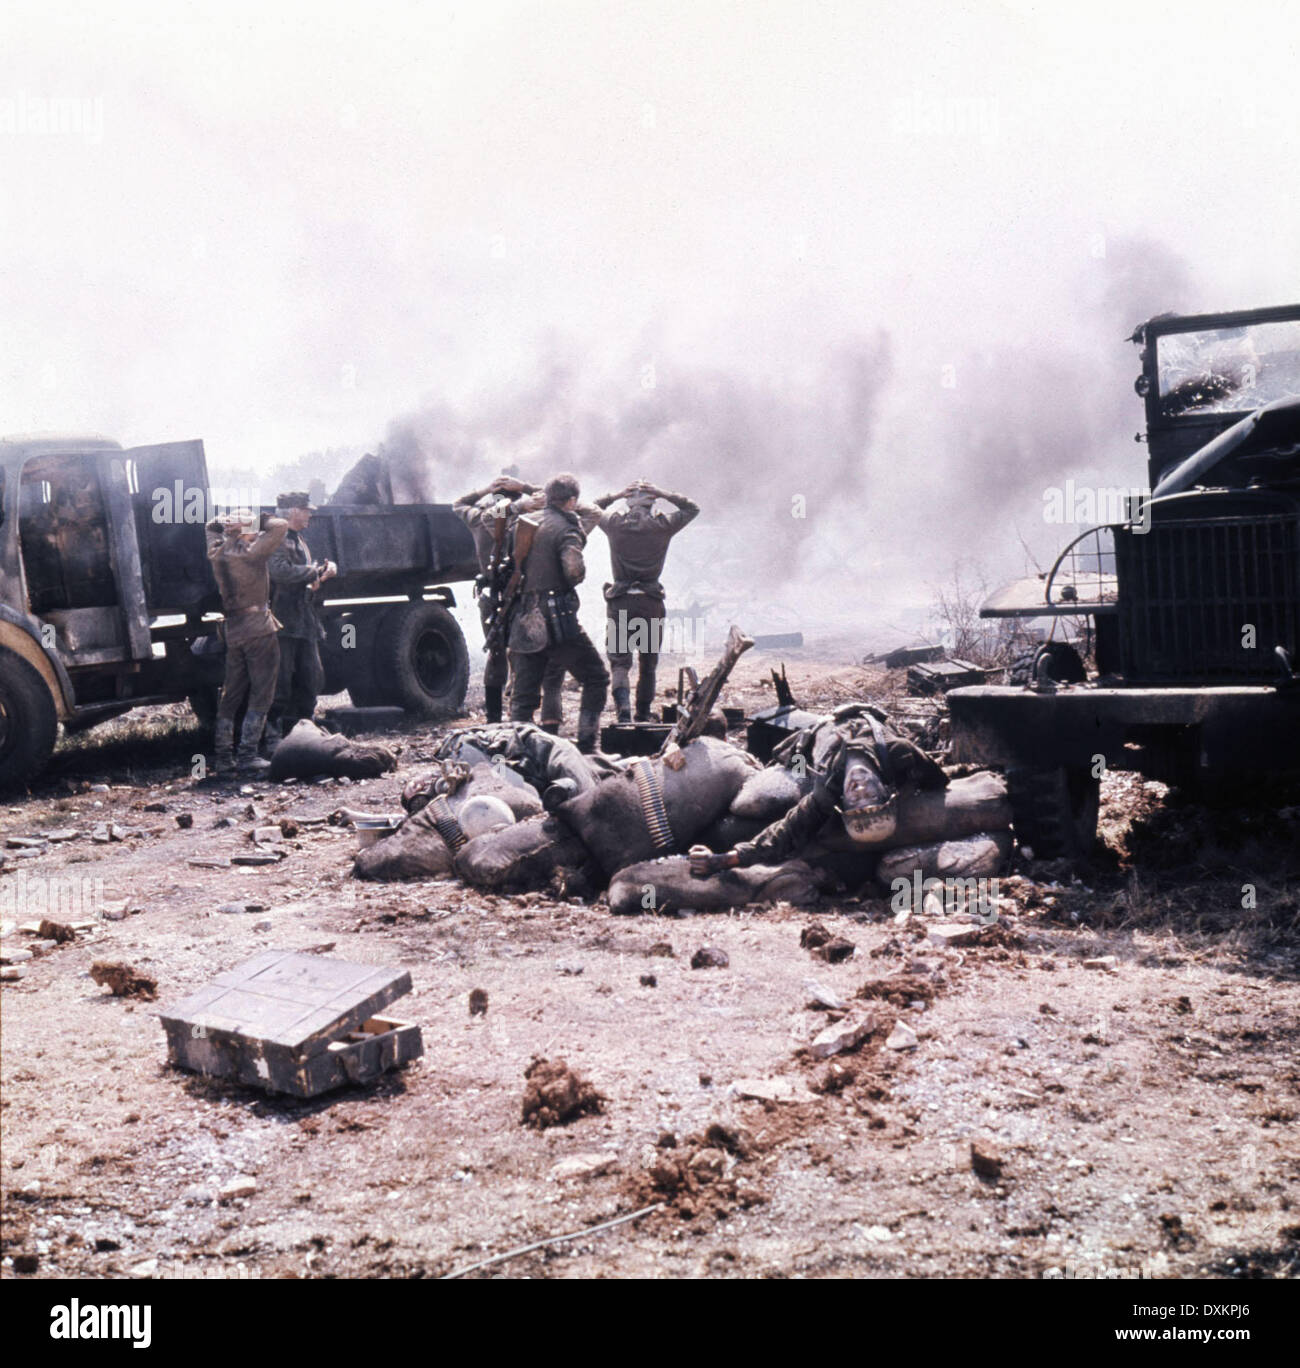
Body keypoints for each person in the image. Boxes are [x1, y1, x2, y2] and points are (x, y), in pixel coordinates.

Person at [688, 708, 949, 877]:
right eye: (870, 797)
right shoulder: (899, 753)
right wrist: (909, 787)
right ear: (885, 789)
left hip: (811, 740)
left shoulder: (828, 787)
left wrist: (722, 860)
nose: (858, 788)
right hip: (857, 714)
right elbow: (939, 779)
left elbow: (786, 833)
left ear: (843, 802)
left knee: (791, 763)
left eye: (855, 800)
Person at [507, 473, 609, 752]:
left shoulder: (523, 523)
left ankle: (520, 752)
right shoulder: (567, 526)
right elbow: (573, 571)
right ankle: (588, 746)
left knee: (523, 697)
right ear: (572, 501)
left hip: (525, 618)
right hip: (557, 620)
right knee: (596, 677)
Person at [594, 480, 699, 722]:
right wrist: (664, 492)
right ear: (652, 504)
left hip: (621, 602)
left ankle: (623, 713)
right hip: (650, 603)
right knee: (648, 663)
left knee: (620, 663)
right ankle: (642, 712)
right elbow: (692, 509)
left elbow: (588, 508)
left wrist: (616, 493)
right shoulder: (661, 525)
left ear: (628, 504)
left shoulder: (615, 524)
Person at [205, 510, 290, 775]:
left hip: (234, 629)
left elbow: (210, 526)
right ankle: (248, 755)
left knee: (230, 694)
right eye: (252, 528)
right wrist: (256, 520)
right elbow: (281, 525)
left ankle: (222, 757)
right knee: (262, 692)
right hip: (258, 628)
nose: (257, 532)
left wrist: (225, 523)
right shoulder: (252, 554)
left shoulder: (217, 552)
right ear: (243, 530)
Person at [266, 492, 336, 749]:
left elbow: (301, 577)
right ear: (292, 511)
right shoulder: (277, 537)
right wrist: (314, 572)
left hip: (303, 618)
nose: (309, 514)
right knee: (281, 682)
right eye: (305, 510)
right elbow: (279, 572)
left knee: (312, 676)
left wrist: (320, 575)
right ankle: (272, 735)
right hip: (283, 620)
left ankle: (305, 729)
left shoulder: (297, 539)